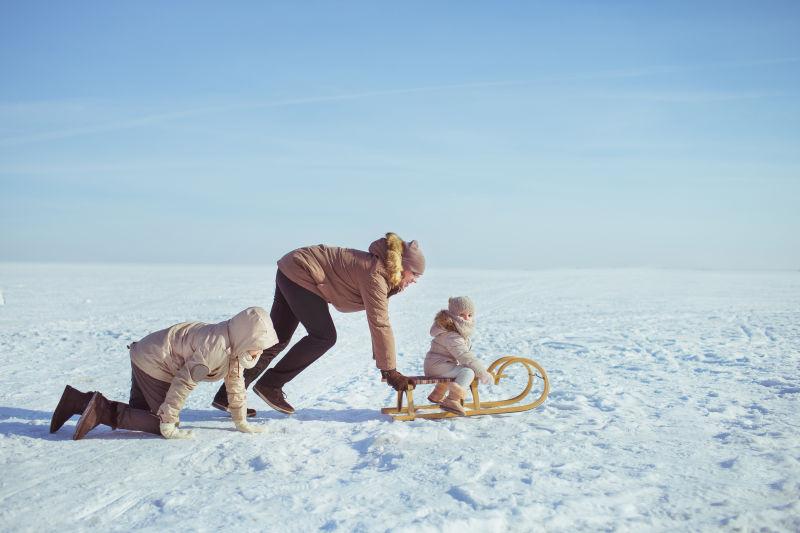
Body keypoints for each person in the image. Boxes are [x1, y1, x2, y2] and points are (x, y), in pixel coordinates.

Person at [212, 232, 425, 415]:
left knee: (275, 339)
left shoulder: (381, 274)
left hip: (292, 268)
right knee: (324, 336)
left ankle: (228, 395)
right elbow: (380, 323)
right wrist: (390, 371)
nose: (415, 280)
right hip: (301, 271)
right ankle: (270, 385)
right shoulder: (376, 275)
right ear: (403, 266)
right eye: (414, 274)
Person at [50, 307, 278, 440]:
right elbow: (184, 382)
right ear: (246, 336)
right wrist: (168, 421)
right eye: (258, 343)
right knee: (160, 422)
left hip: (148, 354)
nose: (259, 350)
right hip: (155, 363)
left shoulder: (235, 345)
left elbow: (236, 382)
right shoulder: (216, 348)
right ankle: (97, 409)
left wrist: (240, 420)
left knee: (140, 413)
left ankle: (77, 401)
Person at [424, 296, 492, 416]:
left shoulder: (454, 330)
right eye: (462, 315)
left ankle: (437, 394)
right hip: (438, 366)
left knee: (458, 369)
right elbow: (465, 356)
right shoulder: (452, 335)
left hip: (437, 365)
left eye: (470, 315)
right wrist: (482, 372)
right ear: (453, 315)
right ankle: (452, 400)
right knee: (468, 372)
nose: (466, 318)